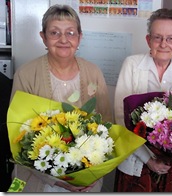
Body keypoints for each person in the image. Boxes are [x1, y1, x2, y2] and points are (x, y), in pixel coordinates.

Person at [10, 4, 112, 192]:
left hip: (86, 178)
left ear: (80, 37)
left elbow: (107, 123)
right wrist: (55, 179)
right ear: (43, 37)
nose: (63, 39)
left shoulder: (93, 72)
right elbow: (18, 135)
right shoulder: (25, 74)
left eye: (70, 33)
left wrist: (90, 171)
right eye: (54, 33)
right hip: (38, 177)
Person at [113, 8, 172, 192]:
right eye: (157, 37)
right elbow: (121, 117)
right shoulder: (132, 65)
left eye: (171, 38)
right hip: (135, 164)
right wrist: (149, 160)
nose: (164, 44)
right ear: (148, 40)